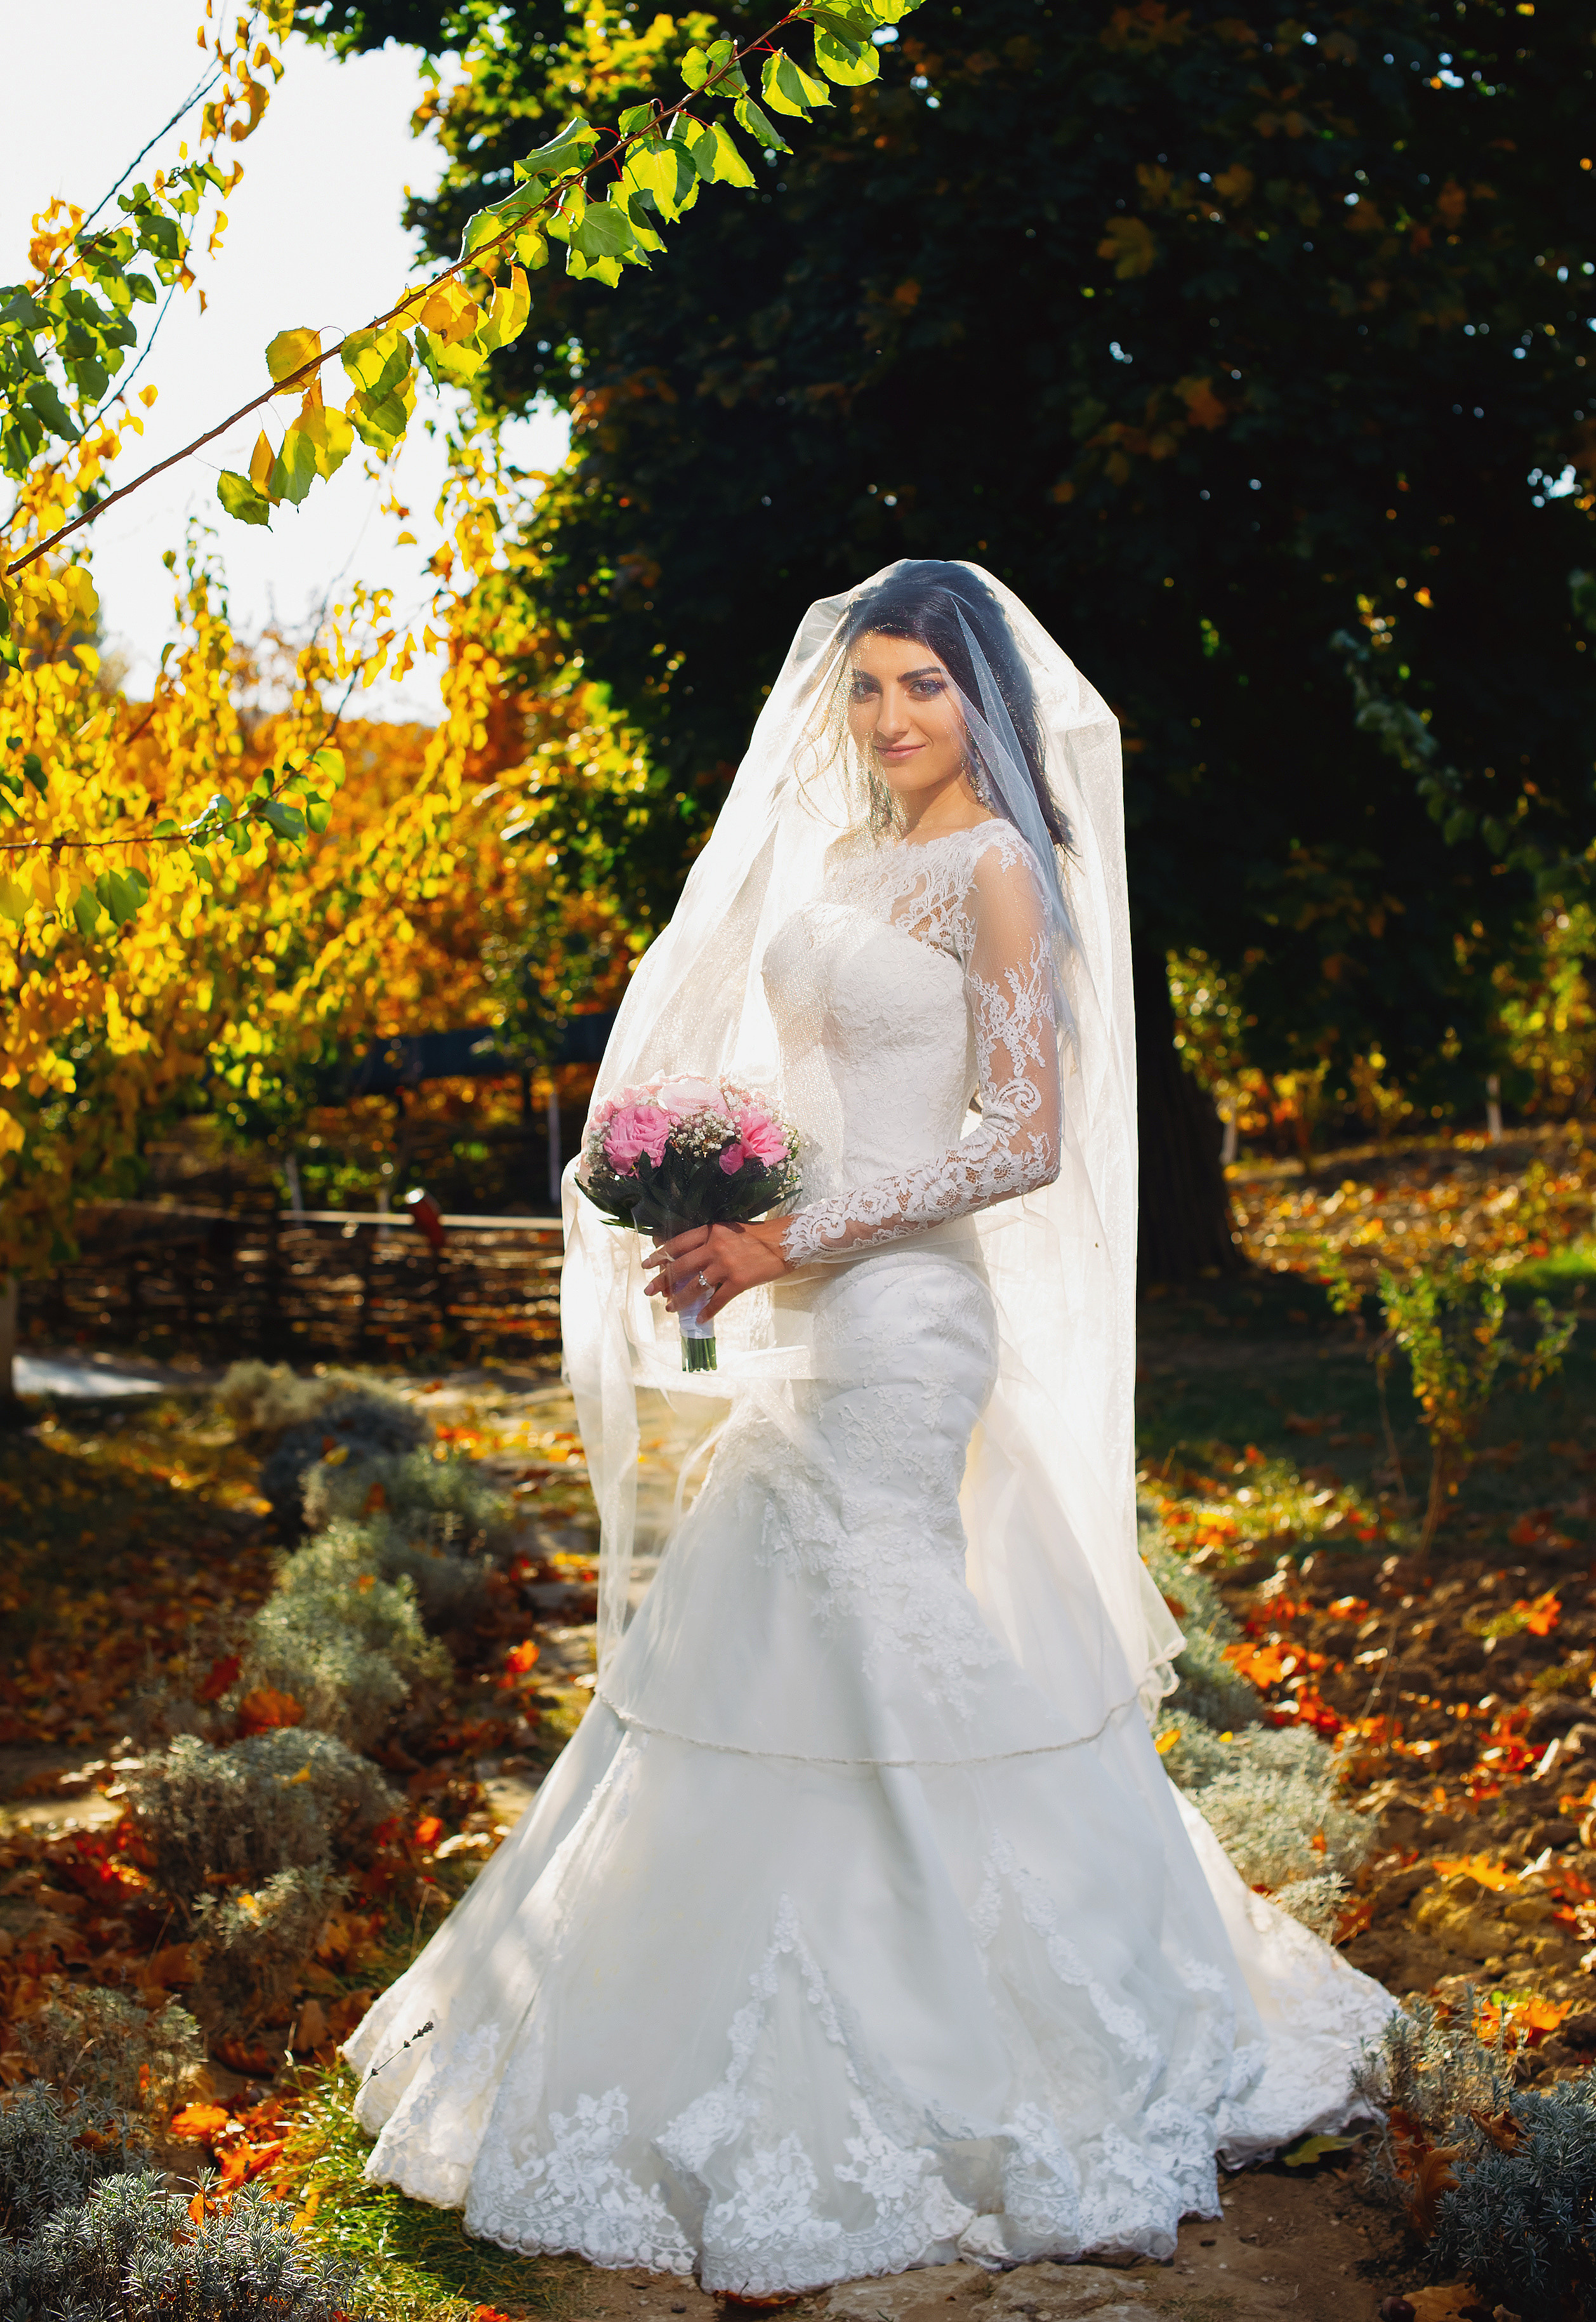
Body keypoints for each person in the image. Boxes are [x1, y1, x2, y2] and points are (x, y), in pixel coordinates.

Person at [345, 561, 1392, 2293]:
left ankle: (996, 2036)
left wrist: (791, 1234)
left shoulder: (997, 872)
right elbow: (813, 1093)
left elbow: (1017, 1138)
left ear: (978, 699)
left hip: (908, 1316)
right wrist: (715, 1189)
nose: (891, 717)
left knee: (871, 1620)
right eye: (868, 687)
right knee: (764, 1636)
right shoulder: (839, 865)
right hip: (802, 1293)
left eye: (922, 684)